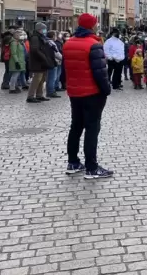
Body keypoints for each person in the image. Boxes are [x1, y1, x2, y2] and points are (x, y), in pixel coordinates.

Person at [63, 13, 113, 179]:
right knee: (92, 129)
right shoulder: (94, 44)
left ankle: (73, 162)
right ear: (92, 26)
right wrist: (106, 90)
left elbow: (64, 70)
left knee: (76, 127)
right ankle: (92, 167)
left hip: (74, 92)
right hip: (92, 93)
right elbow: (100, 73)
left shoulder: (68, 43)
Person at [27, 22, 55, 103]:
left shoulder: (42, 37)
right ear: (39, 29)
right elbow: (35, 50)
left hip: (42, 62)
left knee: (42, 79)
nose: (45, 30)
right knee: (37, 79)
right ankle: (30, 96)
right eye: (44, 29)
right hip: (38, 61)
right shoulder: (35, 37)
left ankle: (39, 95)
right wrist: (43, 57)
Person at [6, 29, 26, 94]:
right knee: (15, 75)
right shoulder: (14, 42)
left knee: (17, 75)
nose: (21, 36)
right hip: (16, 61)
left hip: (19, 61)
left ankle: (15, 86)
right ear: (16, 35)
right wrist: (17, 62)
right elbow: (13, 53)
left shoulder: (18, 42)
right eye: (20, 35)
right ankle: (12, 88)